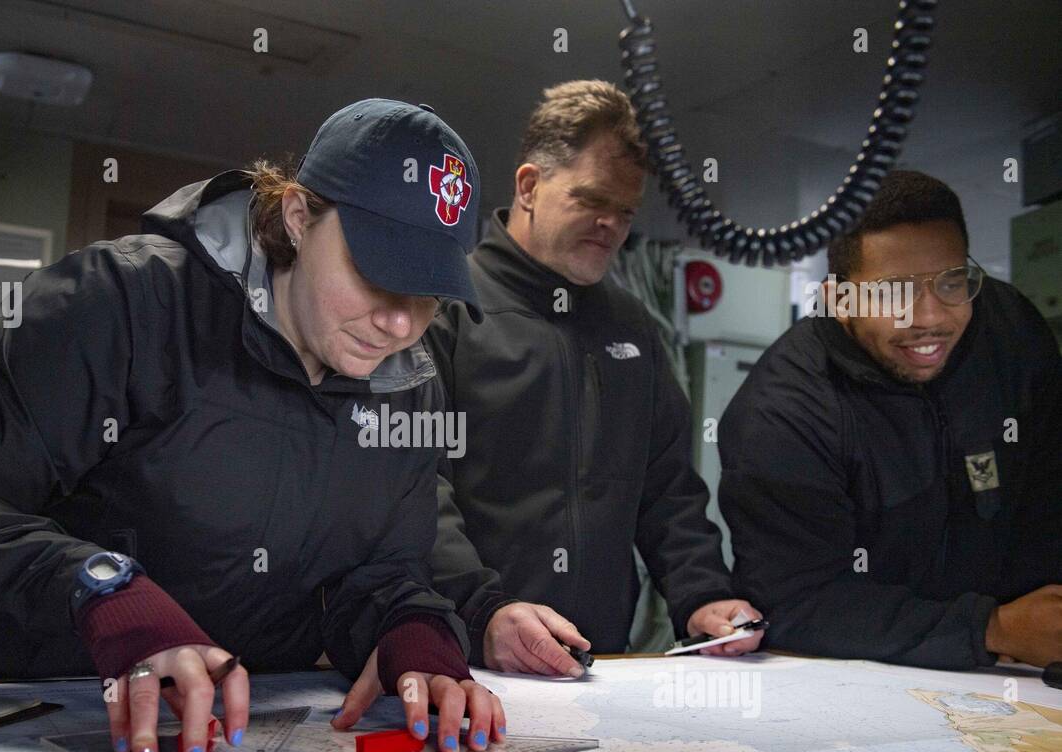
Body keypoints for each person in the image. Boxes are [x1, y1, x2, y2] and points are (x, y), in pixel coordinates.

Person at [0, 99, 506, 752]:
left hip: (204, 738)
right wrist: (97, 588)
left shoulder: (406, 383)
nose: (400, 325)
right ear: (301, 216)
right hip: (0, 710)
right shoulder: (122, 303)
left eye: (427, 293)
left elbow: (380, 571)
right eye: (378, 273)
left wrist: (413, 630)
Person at [426, 80, 763, 676]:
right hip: (467, 658)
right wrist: (482, 611)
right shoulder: (447, 308)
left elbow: (667, 490)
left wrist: (703, 595)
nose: (611, 224)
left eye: (626, 211)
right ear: (529, 186)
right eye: (591, 200)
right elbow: (416, 490)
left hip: (601, 663)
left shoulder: (632, 325)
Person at [719, 169, 1062, 669]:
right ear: (839, 300)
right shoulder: (781, 413)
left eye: (951, 282)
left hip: (1020, 673)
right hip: (866, 686)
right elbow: (796, 603)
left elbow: (1048, 494)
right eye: (891, 292)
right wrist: (991, 628)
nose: (930, 318)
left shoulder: (1010, 332)